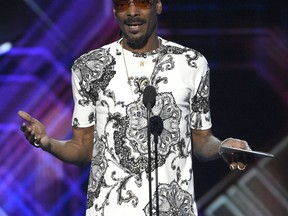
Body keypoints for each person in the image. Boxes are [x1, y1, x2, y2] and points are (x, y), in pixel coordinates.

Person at [18, 0, 251, 215]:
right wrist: (48, 144)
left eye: (141, 3)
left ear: (157, 5)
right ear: (113, 11)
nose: (131, 12)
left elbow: (201, 142)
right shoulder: (89, 67)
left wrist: (223, 146)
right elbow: (83, 149)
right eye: (122, 4)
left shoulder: (191, 63)